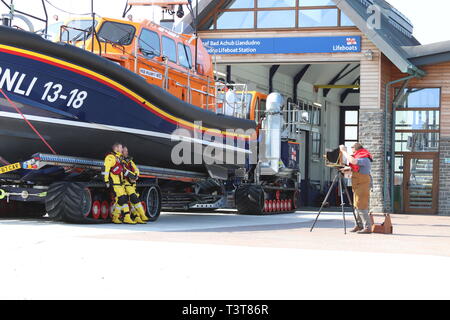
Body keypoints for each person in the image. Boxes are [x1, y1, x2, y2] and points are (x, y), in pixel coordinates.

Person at [340, 143, 373, 234]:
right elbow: (354, 167)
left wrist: (344, 151)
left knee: (361, 205)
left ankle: (367, 227)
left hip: (363, 184)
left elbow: (353, 161)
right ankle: (359, 225)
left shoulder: (364, 158)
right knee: (357, 205)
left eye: (352, 148)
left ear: (356, 148)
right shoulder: (359, 156)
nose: (352, 151)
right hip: (358, 184)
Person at [103, 143, 136, 225]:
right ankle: (122, 217)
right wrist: (106, 180)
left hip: (120, 183)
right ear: (116, 148)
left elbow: (123, 170)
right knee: (122, 199)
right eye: (121, 148)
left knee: (124, 199)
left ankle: (120, 217)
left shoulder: (118, 158)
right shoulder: (110, 157)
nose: (122, 150)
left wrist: (133, 175)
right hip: (115, 183)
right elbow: (106, 169)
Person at [122, 146, 148, 224]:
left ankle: (137, 217)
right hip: (125, 183)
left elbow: (136, 169)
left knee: (133, 202)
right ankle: (142, 215)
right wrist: (133, 176)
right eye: (124, 151)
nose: (126, 152)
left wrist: (136, 175)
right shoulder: (120, 161)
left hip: (132, 184)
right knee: (134, 199)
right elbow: (124, 170)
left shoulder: (130, 161)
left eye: (127, 151)